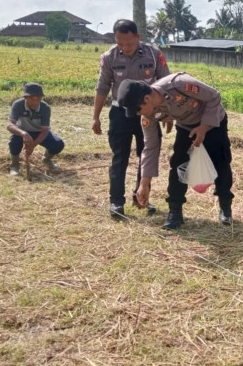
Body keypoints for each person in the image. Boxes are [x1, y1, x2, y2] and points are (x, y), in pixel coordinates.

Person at [119, 73, 233, 229]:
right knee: (178, 165)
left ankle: (225, 208)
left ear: (146, 99)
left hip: (214, 123)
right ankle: (175, 212)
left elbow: (214, 96)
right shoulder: (148, 114)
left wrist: (204, 128)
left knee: (221, 162)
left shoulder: (179, 84)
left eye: (137, 110)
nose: (138, 114)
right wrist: (144, 183)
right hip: (186, 126)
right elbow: (151, 146)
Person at [93, 19, 169, 219]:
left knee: (147, 155)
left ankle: (140, 197)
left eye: (129, 43)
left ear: (138, 37)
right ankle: (116, 203)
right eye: (120, 43)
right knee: (120, 158)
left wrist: (167, 114)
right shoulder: (109, 57)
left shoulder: (154, 54)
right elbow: (102, 87)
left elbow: (165, 83)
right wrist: (96, 117)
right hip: (121, 113)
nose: (125, 48)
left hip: (148, 112)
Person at [6, 83, 65, 175]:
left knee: (58, 144)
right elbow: (9, 125)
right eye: (32, 99)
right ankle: (14, 165)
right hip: (22, 131)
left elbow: (44, 130)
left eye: (38, 99)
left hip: (39, 132)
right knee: (14, 142)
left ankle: (46, 159)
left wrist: (33, 145)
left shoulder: (45, 107)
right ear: (25, 97)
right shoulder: (18, 105)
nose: (35, 102)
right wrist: (23, 134)